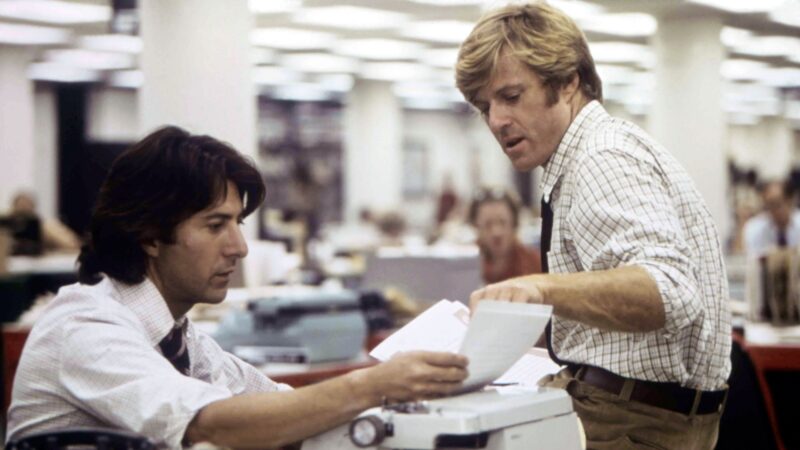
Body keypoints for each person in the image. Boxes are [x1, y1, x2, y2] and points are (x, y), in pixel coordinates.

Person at [5, 126, 468, 449]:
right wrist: (372, 385)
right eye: (215, 226)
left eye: (237, 224)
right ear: (149, 235)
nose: (240, 248)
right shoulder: (86, 328)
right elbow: (209, 423)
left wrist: (398, 396)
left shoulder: (181, 340)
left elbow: (279, 408)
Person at [456, 3, 730, 449]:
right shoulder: (599, 150)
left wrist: (539, 289)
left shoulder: (599, 159)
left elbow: (670, 290)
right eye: (485, 107)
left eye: (511, 96)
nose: (497, 121)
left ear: (567, 82)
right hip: (634, 410)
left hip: (627, 422)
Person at [469, 188, 541, 283]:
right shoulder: (465, 263)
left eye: (503, 222)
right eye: (488, 224)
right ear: (476, 226)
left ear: (514, 224)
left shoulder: (534, 263)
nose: (496, 232)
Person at [9, 191, 82, 253]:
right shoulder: (7, 228)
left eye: (26, 207)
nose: (23, 209)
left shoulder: (47, 226)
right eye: (21, 208)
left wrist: (44, 233)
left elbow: (72, 245)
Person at [743, 179, 800, 257]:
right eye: (768, 206)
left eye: (776, 204)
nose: (773, 211)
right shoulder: (754, 228)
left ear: (790, 201)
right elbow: (749, 259)